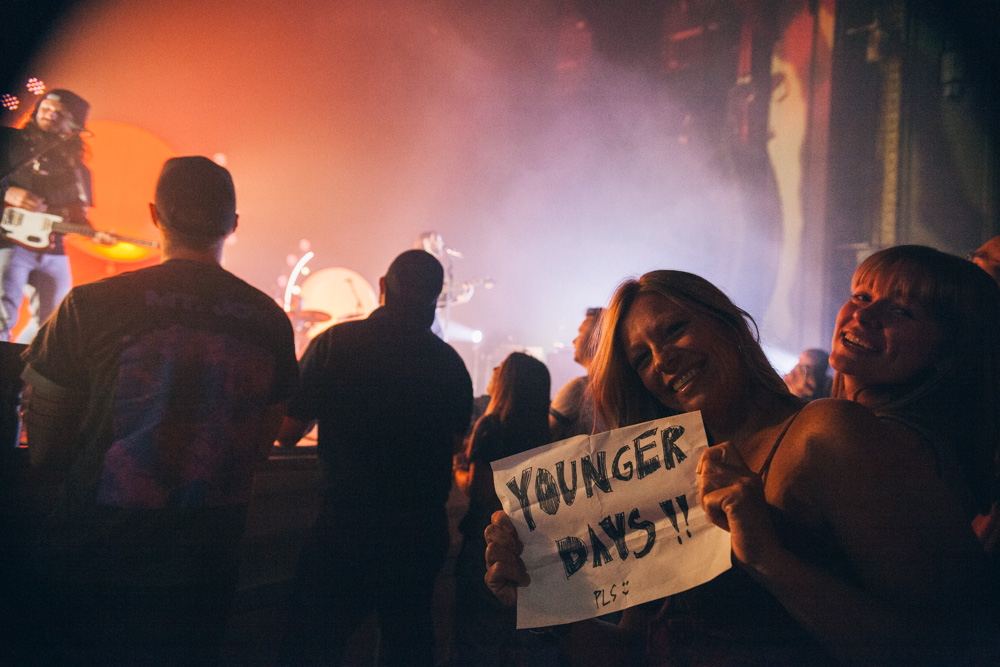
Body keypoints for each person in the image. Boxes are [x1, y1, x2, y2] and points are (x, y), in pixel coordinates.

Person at [484, 270, 994, 664]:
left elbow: (943, 645)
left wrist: (769, 559)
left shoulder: (825, 433)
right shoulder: (663, 474)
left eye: (676, 329)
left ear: (728, 322)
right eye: (641, 358)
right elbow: (634, 653)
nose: (662, 360)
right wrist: (548, 603)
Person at [16, 156, 299, 664]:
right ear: (232, 225)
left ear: (155, 215)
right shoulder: (271, 322)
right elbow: (258, 446)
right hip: (203, 574)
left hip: (93, 562)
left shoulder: (90, 305)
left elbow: (45, 446)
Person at [279, 249, 473, 666]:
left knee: (311, 642)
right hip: (421, 530)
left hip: (348, 527)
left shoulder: (335, 344)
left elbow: (286, 432)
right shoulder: (450, 365)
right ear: (437, 298)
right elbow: (456, 443)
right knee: (408, 644)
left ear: (384, 287)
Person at [829, 244, 1000, 533]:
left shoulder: (894, 448)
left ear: (948, 352)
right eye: (862, 296)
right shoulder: (862, 426)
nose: (863, 315)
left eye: (901, 311)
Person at [452, 351, 550, 665]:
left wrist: (457, 466)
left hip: (486, 537)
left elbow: (478, 490)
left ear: (507, 381)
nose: (493, 371)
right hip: (526, 539)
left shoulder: (491, 425)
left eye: (500, 368)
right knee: (513, 633)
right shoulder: (542, 430)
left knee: (476, 631)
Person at [0, 89, 111, 341]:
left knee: (53, 323)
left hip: (52, 249)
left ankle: (23, 369)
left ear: (73, 124)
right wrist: (9, 194)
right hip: (7, 241)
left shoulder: (78, 169)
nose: (50, 114)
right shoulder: (8, 142)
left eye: (59, 113)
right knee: (3, 314)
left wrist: (94, 235)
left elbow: (78, 216)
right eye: (45, 108)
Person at [549, 307, 605, 440]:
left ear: (595, 340)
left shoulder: (578, 390)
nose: (574, 341)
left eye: (580, 333)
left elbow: (543, 441)